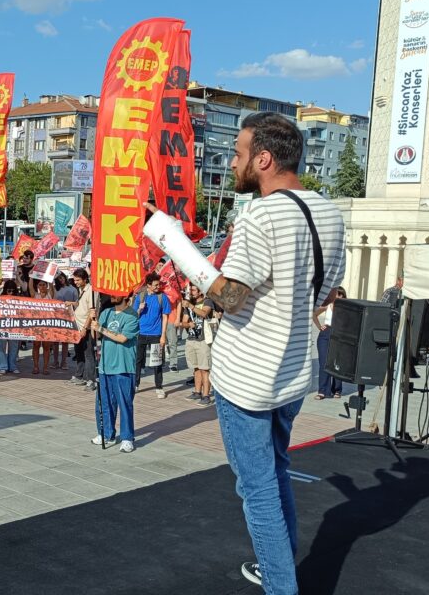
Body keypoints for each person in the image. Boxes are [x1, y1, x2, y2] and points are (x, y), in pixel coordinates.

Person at [142, 111, 346, 593]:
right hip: (294, 374)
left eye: (236, 154)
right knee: (274, 476)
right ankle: (280, 569)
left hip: (249, 378)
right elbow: (323, 296)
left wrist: (172, 241)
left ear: (264, 158)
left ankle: (280, 584)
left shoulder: (261, 214)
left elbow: (230, 297)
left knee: (257, 490)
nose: (231, 163)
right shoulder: (329, 212)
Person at [92, 293, 141, 453]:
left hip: (123, 366)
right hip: (105, 365)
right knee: (104, 403)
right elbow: (96, 333)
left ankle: (127, 438)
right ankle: (106, 433)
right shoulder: (106, 312)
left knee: (124, 404)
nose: (112, 295)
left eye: (117, 293)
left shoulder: (132, 316)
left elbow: (122, 338)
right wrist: (92, 319)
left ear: (126, 295)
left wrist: (100, 328)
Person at [132, 273, 171, 398]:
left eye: (158, 284)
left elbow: (165, 316)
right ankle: (135, 384)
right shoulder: (140, 296)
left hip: (156, 334)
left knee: (157, 362)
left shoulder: (162, 297)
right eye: (155, 285)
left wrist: (163, 335)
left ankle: (159, 387)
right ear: (148, 285)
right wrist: (139, 309)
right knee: (138, 360)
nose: (157, 287)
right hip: (141, 333)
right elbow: (133, 316)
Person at [179, 285, 214, 407]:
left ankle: (206, 395)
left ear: (201, 291)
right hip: (191, 339)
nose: (191, 293)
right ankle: (197, 392)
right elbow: (183, 322)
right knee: (196, 368)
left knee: (205, 368)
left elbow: (204, 313)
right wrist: (188, 325)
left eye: (193, 290)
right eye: (190, 290)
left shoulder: (208, 301)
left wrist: (191, 307)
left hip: (203, 340)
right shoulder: (189, 304)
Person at [314, 288, 346, 400]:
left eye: (341, 295)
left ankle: (337, 390)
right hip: (325, 334)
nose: (338, 297)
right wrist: (319, 326)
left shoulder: (345, 308)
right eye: (337, 294)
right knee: (324, 363)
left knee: (337, 363)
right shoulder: (327, 305)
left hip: (339, 335)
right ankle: (323, 391)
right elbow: (314, 314)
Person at [70, 269, 99, 391]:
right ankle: (79, 376)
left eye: (77, 280)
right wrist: (71, 303)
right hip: (78, 326)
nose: (75, 282)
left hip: (85, 329)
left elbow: (91, 312)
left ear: (84, 279)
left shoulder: (91, 291)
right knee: (79, 353)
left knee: (88, 355)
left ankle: (91, 380)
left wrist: (84, 328)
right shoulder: (82, 290)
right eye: (74, 280)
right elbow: (81, 305)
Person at [0, 280, 23, 375]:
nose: (10, 292)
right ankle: (2, 366)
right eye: (8, 290)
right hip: (2, 325)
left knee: (14, 347)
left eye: (12, 290)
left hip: (14, 326)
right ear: (5, 290)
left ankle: (12, 366)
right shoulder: (0, 298)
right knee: (1, 347)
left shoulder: (19, 299)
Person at [31, 278, 56, 375]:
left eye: (44, 285)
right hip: (37, 325)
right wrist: (31, 277)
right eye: (40, 285)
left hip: (47, 325)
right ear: (37, 286)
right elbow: (30, 287)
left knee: (46, 347)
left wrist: (49, 277)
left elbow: (52, 288)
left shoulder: (50, 295)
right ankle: (36, 367)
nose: (42, 287)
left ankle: (45, 368)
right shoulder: (35, 296)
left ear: (47, 286)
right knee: (36, 345)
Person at [54, 274, 78, 371]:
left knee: (65, 341)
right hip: (56, 317)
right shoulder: (55, 289)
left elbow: (77, 303)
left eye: (62, 277)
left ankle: (64, 361)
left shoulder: (73, 289)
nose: (61, 279)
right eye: (58, 278)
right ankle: (55, 361)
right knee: (55, 341)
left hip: (67, 317)